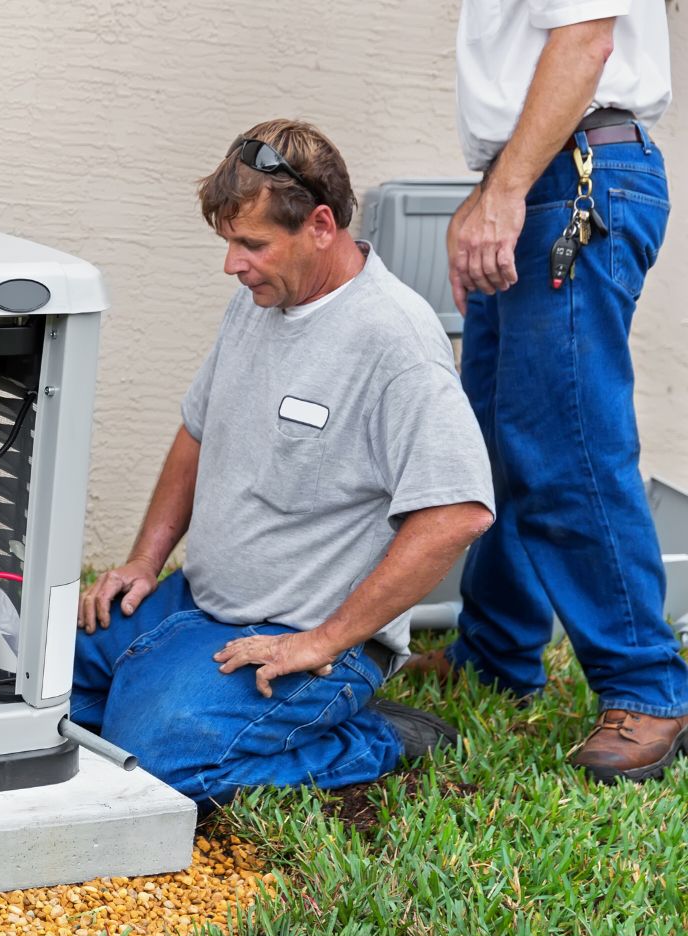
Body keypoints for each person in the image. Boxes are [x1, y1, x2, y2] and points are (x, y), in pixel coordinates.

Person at [77, 119, 496, 809]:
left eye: (252, 245)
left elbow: (457, 513)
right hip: (193, 604)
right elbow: (196, 433)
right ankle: (168, 683)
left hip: (302, 639)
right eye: (231, 244)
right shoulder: (259, 301)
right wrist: (145, 561)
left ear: (321, 225)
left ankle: (374, 740)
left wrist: (326, 638)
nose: (233, 264)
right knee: (41, 692)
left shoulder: (394, 340)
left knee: (154, 766)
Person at [403, 2, 685, 784]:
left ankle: (648, 687)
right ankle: (497, 652)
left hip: (573, 177)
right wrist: (498, 190)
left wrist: (505, 192)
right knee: (497, 440)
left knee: (566, 443)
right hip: (538, 178)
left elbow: (587, 39)